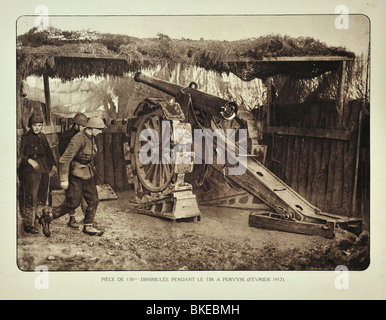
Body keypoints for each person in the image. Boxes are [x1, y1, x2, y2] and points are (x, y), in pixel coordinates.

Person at [39, 116, 106, 237]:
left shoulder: (91, 137)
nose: (101, 131)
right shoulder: (78, 139)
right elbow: (64, 160)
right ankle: (47, 218)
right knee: (73, 203)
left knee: (94, 200)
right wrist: (64, 179)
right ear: (91, 128)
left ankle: (88, 226)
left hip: (87, 173)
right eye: (99, 129)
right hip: (76, 175)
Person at [18, 114, 57, 234]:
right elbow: (20, 154)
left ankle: (39, 220)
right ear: (31, 126)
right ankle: (28, 224)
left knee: (42, 195)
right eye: (35, 125)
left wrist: (53, 165)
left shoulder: (43, 136)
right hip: (30, 169)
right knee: (31, 196)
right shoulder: (25, 137)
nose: (37, 128)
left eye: (39, 125)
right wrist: (29, 161)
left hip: (44, 167)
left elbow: (49, 153)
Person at [58, 112, 88, 229]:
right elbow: (64, 154)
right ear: (76, 125)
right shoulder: (66, 136)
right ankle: (72, 218)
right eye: (83, 126)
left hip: (80, 168)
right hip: (71, 168)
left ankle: (87, 219)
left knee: (84, 193)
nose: (84, 129)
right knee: (71, 195)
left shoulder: (83, 135)